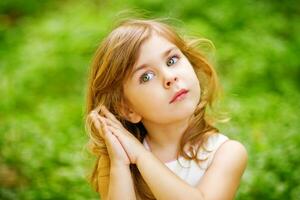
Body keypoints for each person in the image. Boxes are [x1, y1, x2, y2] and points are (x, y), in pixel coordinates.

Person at [85, 18, 248, 200]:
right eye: (146, 76)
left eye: (171, 60)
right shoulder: (118, 158)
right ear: (127, 108)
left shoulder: (226, 153)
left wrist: (140, 155)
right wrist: (120, 164)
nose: (169, 77)